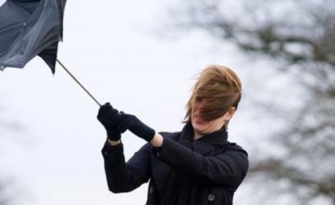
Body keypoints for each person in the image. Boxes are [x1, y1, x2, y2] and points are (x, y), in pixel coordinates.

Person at [97, 65, 249, 205]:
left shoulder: (235, 158)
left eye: (211, 109)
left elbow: (202, 167)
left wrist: (152, 137)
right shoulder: (161, 142)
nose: (200, 111)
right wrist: (113, 139)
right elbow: (120, 183)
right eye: (199, 100)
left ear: (229, 113)